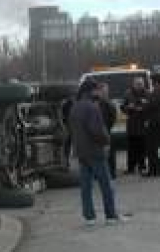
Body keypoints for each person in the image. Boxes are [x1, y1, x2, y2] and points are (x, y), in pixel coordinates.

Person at [69, 80, 120, 225]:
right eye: (96, 90)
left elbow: (72, 130)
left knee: (86, 186)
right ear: (90, 91)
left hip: (81, 151)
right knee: (106, 184)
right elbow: (97, 131)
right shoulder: (92, 108)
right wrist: (106, 141)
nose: (99, 92)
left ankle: (89, 217)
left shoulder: (75, 107)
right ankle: (110, 216)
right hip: (95, 151)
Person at [121, 77, 148, 175]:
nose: (139, 86)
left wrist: (143, 107)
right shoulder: (128, 93)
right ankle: (130, 168)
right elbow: (122, 107)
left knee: (142, 147)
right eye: (137, 84)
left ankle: (142, 166)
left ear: (144, 84)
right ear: (133, 84)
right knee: (131, 148)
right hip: (132, 124)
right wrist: (128, 107)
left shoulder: (147, 93)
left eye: (141, 84)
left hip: (143, 124)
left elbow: (150, 106)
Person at [96, 83, 117, 179]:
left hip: (106, 130)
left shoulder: (109, 103)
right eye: (102, 91)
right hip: (98, 131)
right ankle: (101, 173)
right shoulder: (96, 103)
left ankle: (112, 172)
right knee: (99, 153)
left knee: (109, 153)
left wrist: (107, 127)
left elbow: (113, 117)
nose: (104, 93)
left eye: (106, 91)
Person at [142, 75, 160, 177]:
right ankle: (154, 169)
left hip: (155, 123)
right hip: (155, 122)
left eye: (152, 81)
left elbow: (152, 104)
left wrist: (145, 103)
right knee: (154, 148)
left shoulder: (157, 92)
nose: (151, 83)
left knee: (151, 147)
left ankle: (154, 170)